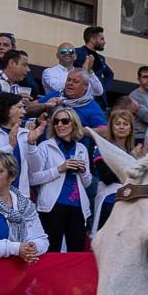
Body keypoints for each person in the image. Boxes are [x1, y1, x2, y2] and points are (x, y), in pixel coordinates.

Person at [28, 108, 93, 252]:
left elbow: (87, 182)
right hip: (52, 206)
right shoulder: (45, 145)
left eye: (65, 121)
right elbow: (33, 178)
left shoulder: (81, 148)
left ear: (74, 124)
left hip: (78, 207)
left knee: (76, 252)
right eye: (56, 122)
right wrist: (59, 169)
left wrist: (82, 171)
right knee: (51, 251)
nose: (60, 125)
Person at [0, 93, 45, 198]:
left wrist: (31, 144)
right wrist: (9, 147)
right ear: (6, 109)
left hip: (18, 197)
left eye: (24, 108)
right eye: (19, 107)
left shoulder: (25, 134)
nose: (24, 111)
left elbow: (36, 169)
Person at [91, 109, 144, 230]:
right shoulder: (103, 148)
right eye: (117, 123)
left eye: (125, 124)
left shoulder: (134, 151)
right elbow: (107, 178)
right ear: (111, 127)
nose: (121, 127)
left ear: (130, 129)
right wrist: (131, 159)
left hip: (130, 203)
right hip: (109, 202)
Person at [39, 69, 107, 130]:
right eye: (68, 80)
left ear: (85, 86)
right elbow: (29, 109)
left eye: (75, 81)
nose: (70, 83)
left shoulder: (93, 108)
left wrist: (79, 130)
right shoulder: (57, 94)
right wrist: (45, 105)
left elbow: (104, 132)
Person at [73, 26, 113, 109]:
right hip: (82, 99)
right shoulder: (77, 53)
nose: (104, 42)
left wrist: (104, 88)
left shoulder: (101, 59)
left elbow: (110, 74)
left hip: (99, 101)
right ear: (92, 40)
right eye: (101, 39)